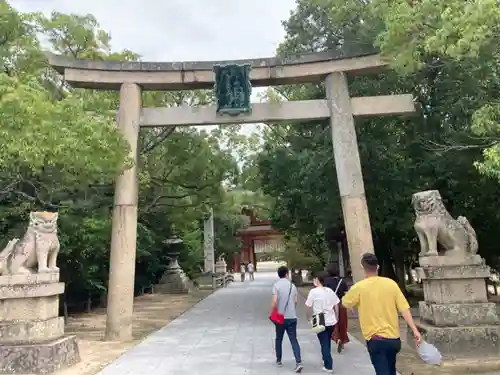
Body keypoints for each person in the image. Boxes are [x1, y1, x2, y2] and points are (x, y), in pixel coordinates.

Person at [342, 253, 422, 375]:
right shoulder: (391, 284)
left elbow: (345, 303)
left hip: (376, 340)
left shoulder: (359, 287)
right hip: (393, 340)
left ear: (363, 268)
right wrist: (415, 330)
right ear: (378, 267)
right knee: (390, 370)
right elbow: (404, 308)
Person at [305, 271, 340, 373]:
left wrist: (308, 318)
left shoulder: (313, 292)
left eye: (315, 279)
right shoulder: (329, 291)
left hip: (318, 318)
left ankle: (328, 365)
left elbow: (308, 306)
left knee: (324, 343)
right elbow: (336, 305)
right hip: (331, 318)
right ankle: (326, 361)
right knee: (326, 341)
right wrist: (337, 317)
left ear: (318, 280)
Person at [270, 266, 303, 373]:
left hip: (280, 317)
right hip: (292, 317)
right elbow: (295, 301)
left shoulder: (276, 286)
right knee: (294, 339)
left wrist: (272, 312)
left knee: (278, 338)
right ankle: (298, 362)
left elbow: (275, 301)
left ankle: (279, 360)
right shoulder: (292, 286)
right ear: (286, 274)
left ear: (278, 274)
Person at [325, 264, 350, 353]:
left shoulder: (326, 281)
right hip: (341, 304)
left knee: (333, 323)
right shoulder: (342, 281)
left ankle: (337, 338)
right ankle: (342, 340)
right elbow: (346, 294)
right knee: (342, 323)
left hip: (330, 305)